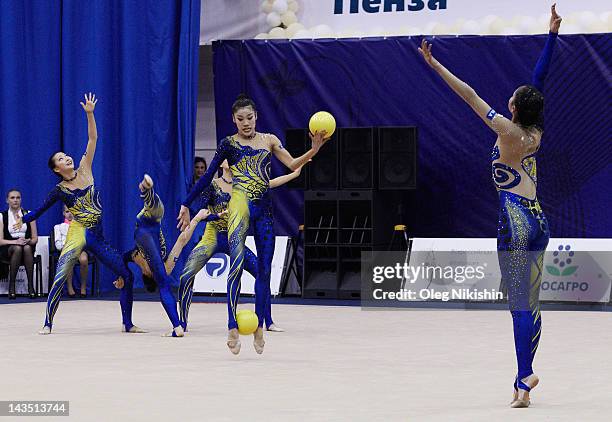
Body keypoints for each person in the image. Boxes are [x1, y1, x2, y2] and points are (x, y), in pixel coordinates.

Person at [418, 4, 561, 408]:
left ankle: (524, 373)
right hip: (538, 221)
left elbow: (470, 95)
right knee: (529, 303)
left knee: (518, 305)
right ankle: (522, 386)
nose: (511, 95)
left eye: (513, 97)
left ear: (513, 108)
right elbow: (539, 80)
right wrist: (550, 36)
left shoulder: (507, 128)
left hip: (515, 221)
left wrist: (434, 65)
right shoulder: (534, 130)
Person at [177, 94, 329, 354]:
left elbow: (291, 163)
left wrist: (313, 150)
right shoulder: (228, 144)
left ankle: (259, 326)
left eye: (249, 117)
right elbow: (205, 179)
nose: (245, 123)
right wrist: (185, 203)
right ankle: (231, 326)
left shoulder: (269, 140)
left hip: (264, 211)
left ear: (256, 116)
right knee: (235, 268)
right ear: (233, 120)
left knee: (264, 271)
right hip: (239, 208)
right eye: (240, 119)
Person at [18, 93, 142, 335]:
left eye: (66, 155)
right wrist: (21, 220)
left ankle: (128, 323)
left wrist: (89, 113)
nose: (68, 158)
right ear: (57, 169)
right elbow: (39, 211)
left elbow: (93, 138)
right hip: (77, 233)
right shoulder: (59, 191)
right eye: (62, 159)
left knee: (126, 274)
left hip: (97, 236)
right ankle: (47, 322)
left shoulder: (85, 167)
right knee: (61, 274)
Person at [178, 159, 306, 336]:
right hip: (212, 237)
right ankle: (181, 324)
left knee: (262, 275)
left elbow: (270, 183)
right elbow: (198, 213)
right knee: (186, 276)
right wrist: (215, 216)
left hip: (235, 238)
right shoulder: (212, 186)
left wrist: (294, 174)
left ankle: (267, 321)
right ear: (221, 164)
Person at [114, 174, 220, 337]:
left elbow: (123, 258)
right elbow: (182, 240)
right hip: (149, 226)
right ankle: (176, 327)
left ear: (145, 274)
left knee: (155, 209)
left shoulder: (137, 258)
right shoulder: (165, 268)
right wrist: (197, 218)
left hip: (145, 225)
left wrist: (121, 275)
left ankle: (145, 191)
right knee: (157, 209)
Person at [0, 189, 37, 299]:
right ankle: (12, 286)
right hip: (8, 248)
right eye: (12, 198)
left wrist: (28, 240)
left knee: (25, 248)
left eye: (18, 197)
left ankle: (31, 286)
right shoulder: (2, 216)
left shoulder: (29, 214)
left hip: (26, 246)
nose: (15, 200)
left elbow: (35, 238)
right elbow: (0, 241)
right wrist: (15, 242)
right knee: (17, 248)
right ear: (7, 200)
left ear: (21, 200)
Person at [54, 205, 89, 298]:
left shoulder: (82, 226)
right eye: (67, 212)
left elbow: (86, 240)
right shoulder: (58, 227)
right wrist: (66, 247)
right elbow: (57, 244)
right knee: (69, 259)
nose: (70, 214)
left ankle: (83, 286)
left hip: (80, 249)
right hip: (67, 250)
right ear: (63, 214)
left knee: (84, 260)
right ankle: (70, 287)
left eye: (72, 211)